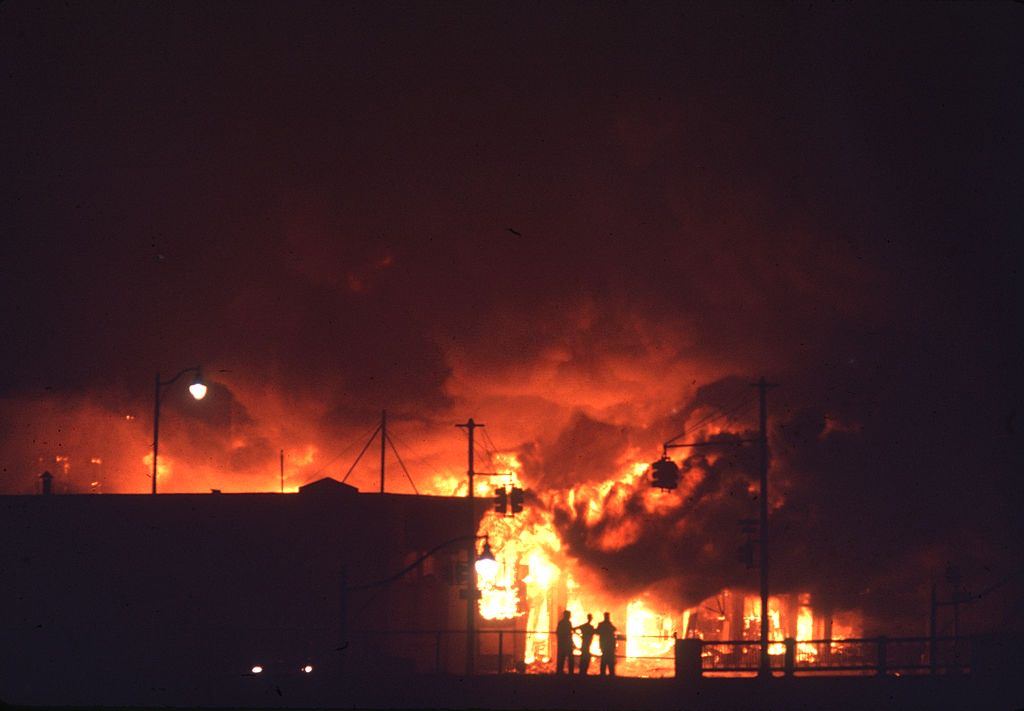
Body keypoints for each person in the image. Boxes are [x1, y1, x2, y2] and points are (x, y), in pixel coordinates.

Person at [596, 611, 617, 676]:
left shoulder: (601, 624)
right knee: (610, 660)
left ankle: (603, 673)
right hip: (609, 645)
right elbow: (614, 629)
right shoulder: (609, 624)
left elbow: (597, 632)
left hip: (604, 644)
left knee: (604, 659)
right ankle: (611, 673)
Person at [555, 610, 575, 674]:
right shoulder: (567, 623)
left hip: (563, 643)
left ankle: (560, 671)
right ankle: (570, 672)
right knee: (569, 658)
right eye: (568, 615)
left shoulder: (562, 623)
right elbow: (567, 633)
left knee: (562, 658)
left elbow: (558, 633)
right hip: (566, 643)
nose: (569, 616)